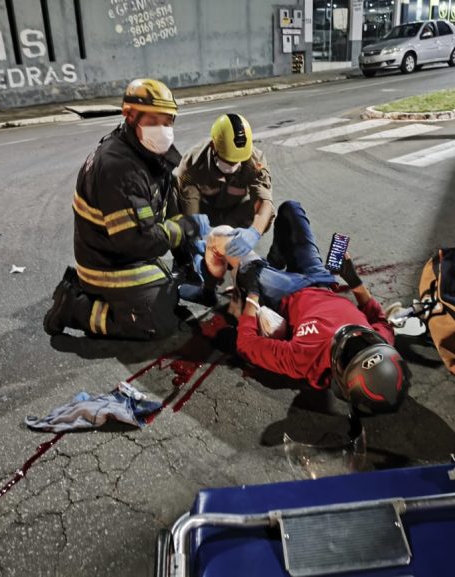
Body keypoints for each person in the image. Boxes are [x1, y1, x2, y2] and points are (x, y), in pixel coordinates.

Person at [43, 78, 210, 340]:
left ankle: (155, 284)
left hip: (121, 251)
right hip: (107, 263)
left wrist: (187, 254)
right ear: (129, 116)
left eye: (168, 122)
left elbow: (170, 201)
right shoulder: (118, 166)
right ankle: (75, 307)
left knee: (171, 292)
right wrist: (188, 227)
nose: (163, 129)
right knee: (157, 320)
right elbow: (138, 242)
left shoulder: (150, 150)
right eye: (154, 121)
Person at [233, 201, 409, 414]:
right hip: (321, 280)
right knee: (291, 209)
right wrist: (354, 280)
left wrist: (252, 295)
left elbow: (247, 343)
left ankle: (259, 269)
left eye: (351, 351)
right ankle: (275, 261)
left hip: (287, 293)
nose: (356, 337)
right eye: (367, 340)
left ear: (339, 377)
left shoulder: (305, 360)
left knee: (235, 248)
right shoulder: (381, 339)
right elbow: (380, 320)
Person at [175, 113, 275, 303]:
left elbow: (265, 202)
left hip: (234, 212)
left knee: (264, 213)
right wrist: (194, 238)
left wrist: (253, 232)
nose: (233, 165)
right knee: (176, 212)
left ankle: (235, 263)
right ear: (214, 147)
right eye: (229, 161)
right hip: (206, 213)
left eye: (237, 161)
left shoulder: (254, 160)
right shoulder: (193, 163)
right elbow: (189, 206)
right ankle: (185, 264)